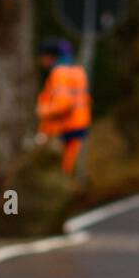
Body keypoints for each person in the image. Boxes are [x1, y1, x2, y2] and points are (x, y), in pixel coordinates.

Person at [35, 39, 92, 176]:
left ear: (49, 57)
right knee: (74, 169)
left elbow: (63, 105)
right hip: (80, 124)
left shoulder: (59, 73)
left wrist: (43, 110)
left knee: (64, 173)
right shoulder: (78, 70)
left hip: (66, 128)